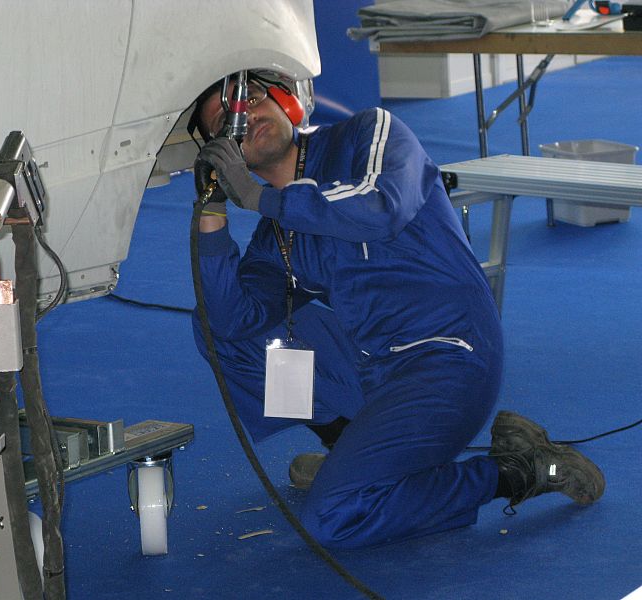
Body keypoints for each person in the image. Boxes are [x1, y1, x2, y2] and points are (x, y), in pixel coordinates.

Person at [189, 72, 605, 549]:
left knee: (334, 517)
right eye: (226, 120)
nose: (247, 115)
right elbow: (229, 320)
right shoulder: (275, 238)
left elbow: (380, 206)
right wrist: (213, 210)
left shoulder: (368, 133)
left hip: (449, 359)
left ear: (285, 101)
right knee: (215, 329)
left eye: (253, 98)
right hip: (375, 369)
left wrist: (262, 197)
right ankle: (354, 452)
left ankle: (515, 471)